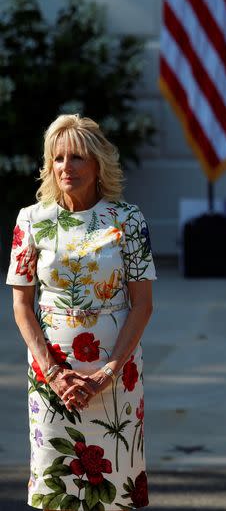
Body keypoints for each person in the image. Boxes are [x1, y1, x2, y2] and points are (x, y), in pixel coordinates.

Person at [7, 114, 156, 510]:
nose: (66, 167)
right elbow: (22, 304)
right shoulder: (32, 220)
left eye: (77, 157)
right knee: (56, 483)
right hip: (50, 373)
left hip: (116, 372)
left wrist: (109, 371)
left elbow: (142, 304)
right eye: (58, 158)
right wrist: (53, 373)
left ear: (98, 164)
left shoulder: (128, 219)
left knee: (116, 484)